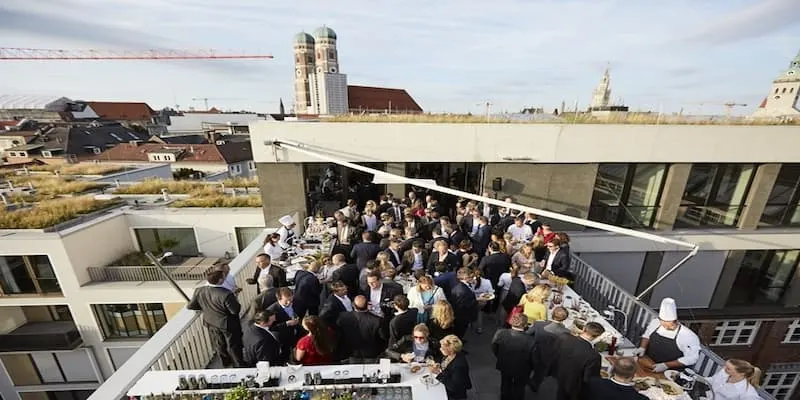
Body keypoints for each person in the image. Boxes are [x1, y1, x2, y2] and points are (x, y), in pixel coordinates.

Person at [187, 269, 245, 368]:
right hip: (228, 324)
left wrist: (205, 308)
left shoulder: (199, 290)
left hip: (211, 322)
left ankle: (225, 363)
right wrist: (235, 297)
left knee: (219, 344)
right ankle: (238, 364)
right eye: (223, 277)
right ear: (219, 280)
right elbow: (235, 310)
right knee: (233, 345)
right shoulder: (226, 294)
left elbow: (190, 306)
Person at [632, 297, 701, 373]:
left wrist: (666, 365)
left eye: (669, 326)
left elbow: (692, 358)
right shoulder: (655, 323)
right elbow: (646, 336)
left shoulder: (688, 336)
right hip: (649, 364)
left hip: (670, 372)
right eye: (663, 324)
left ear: (676, 321)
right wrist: (642, 347)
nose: (666, 328)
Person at [554, 321, 605, 400]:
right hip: (577, 386)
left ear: (584, 329)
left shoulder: (565, 338)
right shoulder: (594, 356)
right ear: (598, 337)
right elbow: (589, 378)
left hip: (561, 376)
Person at [492, 313, 538, 400]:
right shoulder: (531, 341)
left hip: (504, 364)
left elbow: (494, 347)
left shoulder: (500, 333)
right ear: (525, 325)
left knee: (505, 383)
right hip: (523, 368)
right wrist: (532, 367)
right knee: (519, 387)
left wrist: (500, 356)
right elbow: (534, 358)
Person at [336, 295, 386, 363]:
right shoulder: (377, 320)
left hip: (350, 356)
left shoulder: (343, 318)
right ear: (367, 305)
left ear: (353, 305)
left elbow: (339, 336)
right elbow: (382, 339)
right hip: (371, 356)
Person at [431, 334, 472, 400]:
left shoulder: (459, 366)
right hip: (446, 383)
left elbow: (454, 387)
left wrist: (438, 374)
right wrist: (439, 364)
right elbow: (445, 363)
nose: (440, 349)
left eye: (443, 348)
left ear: (451, 350)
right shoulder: (450, 354)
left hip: (454, 395)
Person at [449, 268, 479, 339]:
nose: (473, 277)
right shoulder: (462, 290)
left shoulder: (462, 284)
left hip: (461, 315)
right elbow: (463, 304)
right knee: (459, 331)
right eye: (471, 276)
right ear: (465, 277)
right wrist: (477, 300)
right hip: (462, 316)